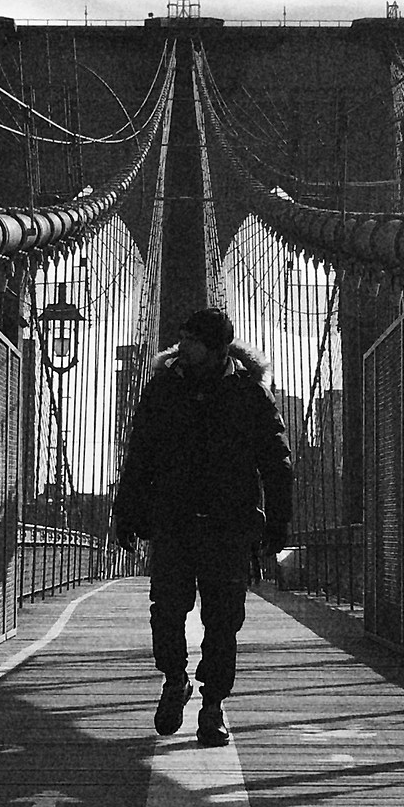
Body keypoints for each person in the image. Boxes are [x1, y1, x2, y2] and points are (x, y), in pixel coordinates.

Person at [112, 305, 293, 744]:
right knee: (167, 611)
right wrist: (128, 511)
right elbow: (140, 456)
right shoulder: (163, 391)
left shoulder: (249, 395)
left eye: (191, 340)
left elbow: (276, 461)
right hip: (173, 521)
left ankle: (213, 705)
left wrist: (279, 521)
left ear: (215, 348)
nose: (181, 346)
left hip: (228, 526)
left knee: (223, 618)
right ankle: (175, 679)